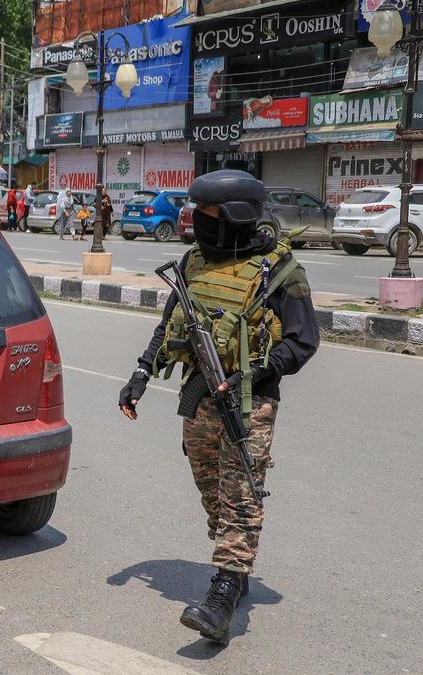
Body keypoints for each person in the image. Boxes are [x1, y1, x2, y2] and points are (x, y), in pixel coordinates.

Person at [118, 170, 319, 645]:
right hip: (200, 394)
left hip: (251, 400)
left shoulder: (279, 270)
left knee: (241, 493)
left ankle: (223, 594)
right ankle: (236, 563)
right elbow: (171, 324)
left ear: (235, 216)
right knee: (211, 487)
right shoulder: (193, 263)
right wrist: (142, 373)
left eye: (206, 213)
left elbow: (304, 341)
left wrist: (257, 372)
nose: (197, 221)